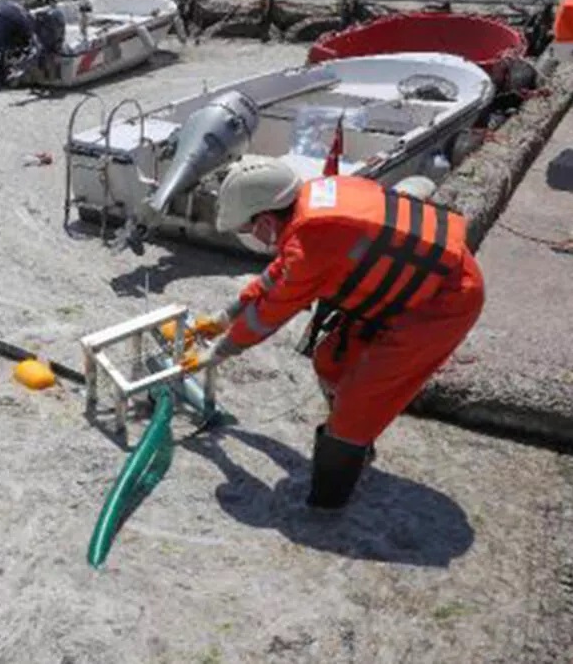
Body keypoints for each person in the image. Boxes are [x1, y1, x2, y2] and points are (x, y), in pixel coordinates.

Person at [189, 156, 486, 510]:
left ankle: (327, 503)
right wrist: (226, 314)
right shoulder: (312, 201)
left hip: (442, 303)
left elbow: (267, 317)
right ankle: (356, 447)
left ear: (266, 219)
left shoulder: (313, 244)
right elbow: (279, 271)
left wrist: (219, 352)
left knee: (358, 403)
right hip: (406, 289)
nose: (249, 237)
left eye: (247, 229)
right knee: (332, 360)